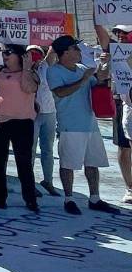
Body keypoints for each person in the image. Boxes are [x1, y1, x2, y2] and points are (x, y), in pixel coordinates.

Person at [47, 35, 119, 215]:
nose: (79, 51)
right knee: (68, 164)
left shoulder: (81, 69)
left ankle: (95, 198)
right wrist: (84, 79)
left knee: (92, 163)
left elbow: (99, 80)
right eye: (75, 48)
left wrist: (105, 64)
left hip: (90, 123)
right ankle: (69, 198)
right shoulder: (54, 71)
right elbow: (61, 92)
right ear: (65, 52)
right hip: (69, 125)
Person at [0, 46, 41, 212]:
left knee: (23, 162)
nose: (5, 56)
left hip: (22, 122)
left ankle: (30, 198)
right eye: (3, 53)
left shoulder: (31, 73)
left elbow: (29, 88)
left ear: (20, 56)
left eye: (8, 53)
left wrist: (26, 68)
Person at [95, 19, 132, 204]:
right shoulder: (115, 50)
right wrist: (97, 9)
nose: (121, 36)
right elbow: (100, 32)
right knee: (124, 147)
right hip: (123, 103)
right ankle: (130, 187)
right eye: (118, 33)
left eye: (125, 33)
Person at [24, 44, 60, 196]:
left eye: (37, 54)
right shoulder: (23, 71)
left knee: (48, 149)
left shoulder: (46, 67)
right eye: (31, 54)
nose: (34, 57)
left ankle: (48, 181)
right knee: (30, 150)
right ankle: (29, 183)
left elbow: (52, 52)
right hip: (31, 115)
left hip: (49, 113)